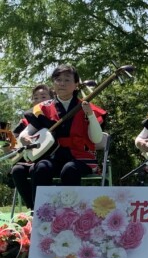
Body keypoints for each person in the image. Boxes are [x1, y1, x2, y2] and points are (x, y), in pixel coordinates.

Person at [12, 65, 106, 209]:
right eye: (58, 80)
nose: (62, 83)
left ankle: (70, 211)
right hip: (53, 156)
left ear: (76, 84)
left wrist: (90, 115)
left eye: (67, 80)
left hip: (79, 157)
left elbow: (97, 139)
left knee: (69, 169)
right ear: (53, 84)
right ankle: (39, 210)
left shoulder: (87, 107)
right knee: (41, 167)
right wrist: (24, 138)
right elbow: (28, 131)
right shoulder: (43, 108)